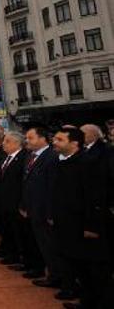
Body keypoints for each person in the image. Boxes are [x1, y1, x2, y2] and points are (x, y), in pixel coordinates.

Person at [51, 127, 109, 309]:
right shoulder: (63, 163)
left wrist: (91, 226)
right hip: (67, 225)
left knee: (94, 270)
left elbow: (96, 198)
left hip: (85, 228)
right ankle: (87, 300)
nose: (55, 142)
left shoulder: (87, 163)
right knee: (79, 267)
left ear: (75, 143)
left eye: (60, 139)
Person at [20, 126, 60, 284]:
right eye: (26, 138)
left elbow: (52, 188)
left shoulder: (51, 157)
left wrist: (50, 213)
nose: (27, 141)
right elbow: (26, 182)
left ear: (43, 139)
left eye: (31, 138)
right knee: (41, 245)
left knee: (50, 246)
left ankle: (57, 277)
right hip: (32, 209)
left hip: (44, 211)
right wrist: (24, 205)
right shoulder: (30, 156)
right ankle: (50, 272)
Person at [0, 131, 27, 267]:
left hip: (15, 203)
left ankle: (20, 257)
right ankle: (10, 253)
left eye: (7, 141)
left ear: (17, 144)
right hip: (4, 202)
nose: (3, 144)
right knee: (8, 230)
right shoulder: (6, 158)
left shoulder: (23, 157)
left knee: (18, 232)